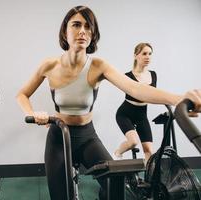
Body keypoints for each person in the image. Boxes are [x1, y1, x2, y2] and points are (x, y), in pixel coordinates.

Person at [16, 5, 201, 200]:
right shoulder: (49, 65)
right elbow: (22, 94)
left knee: (116, 185)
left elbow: (135, 88)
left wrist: (179, 99)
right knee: (60, 195)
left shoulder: (98, 66)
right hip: (59, 137)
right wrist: (32, 113)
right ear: (65, 30)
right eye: (76, 25)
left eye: (88, 27)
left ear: (93, 33)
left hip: (87, 136)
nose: (82, 31)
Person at [114, 42, 156, 162]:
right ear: (136, 56)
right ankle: (118, 152)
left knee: (148, 150)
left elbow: (153, 95)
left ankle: (150, 177)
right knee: (133, 142)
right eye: (144, 54)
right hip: (125, 114)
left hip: (142, 115)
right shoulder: (127, 76)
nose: (147, 57)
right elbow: (140, 94)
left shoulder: (153, 75)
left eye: (150, 54)